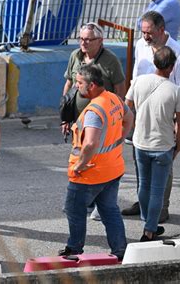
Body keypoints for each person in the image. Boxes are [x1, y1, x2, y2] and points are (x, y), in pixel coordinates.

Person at [122, 11, 180, 223]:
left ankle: (162, 206)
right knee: (140, 161)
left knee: (164, 164)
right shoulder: (141, 46)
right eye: (143, 32)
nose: (145, 37)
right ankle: (143, 203)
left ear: (162, 29)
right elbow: (135, 78)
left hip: (166, 115)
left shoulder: (178, 54)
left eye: (149, 32)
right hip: (142, 112)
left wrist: (179, 125)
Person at [59, 65, 134, 260]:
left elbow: (90, 143)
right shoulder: (113, 98)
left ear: (91, 85)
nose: (76, 86)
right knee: (110, 210)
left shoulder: (94, 110)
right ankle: (120, 251)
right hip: (112, 168)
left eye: (80, 83)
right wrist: (119, 140)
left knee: (74, 210)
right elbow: (129, 117)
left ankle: (74, 249)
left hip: (90, 173)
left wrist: (80, 165)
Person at [61, 22, 126, 221]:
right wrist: (65, 115)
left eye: (88, 39)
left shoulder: (110, 60)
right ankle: (86, 198)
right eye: (81, 38)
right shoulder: (75, 56)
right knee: (82, 153)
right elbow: (69, 84)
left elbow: (120, 87)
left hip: (100, 120)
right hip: (79, 121)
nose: (83, 42)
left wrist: (119, 115)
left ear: (100, 41)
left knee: (98, 158)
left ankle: (99, 200)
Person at [125, 46, 180, 241]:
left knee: (143, 185)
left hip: (140, 143)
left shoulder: (138, 82)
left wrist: (135, 128)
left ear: (154, 62)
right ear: (172, 67)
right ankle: (150, 229)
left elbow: (126, 110)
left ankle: (147, 221)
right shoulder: (176, 91)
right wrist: (177, 148)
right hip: (163, 146)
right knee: (157, 191)